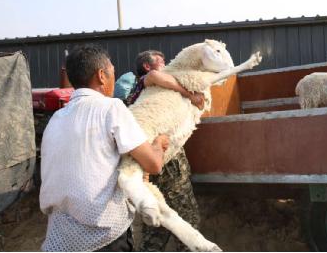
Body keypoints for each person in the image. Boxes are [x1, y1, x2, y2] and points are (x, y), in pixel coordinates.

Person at [39, 44, 169, 252]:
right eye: (112, 74)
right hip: (104, 237)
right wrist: (158, 143)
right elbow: (153, 164)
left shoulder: (57, 117)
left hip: (59, 239)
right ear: (101, 75)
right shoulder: (111, 107)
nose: (113, 81)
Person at [122, 50, 204, 252]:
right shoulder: (146, 83)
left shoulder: (148, 91)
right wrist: (189, 95)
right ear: (147, 66)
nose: (166, 64)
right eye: (161, 62)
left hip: (149, 165)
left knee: (156, 226)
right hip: (168, 167)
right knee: (187, 219)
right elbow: (153, 77)